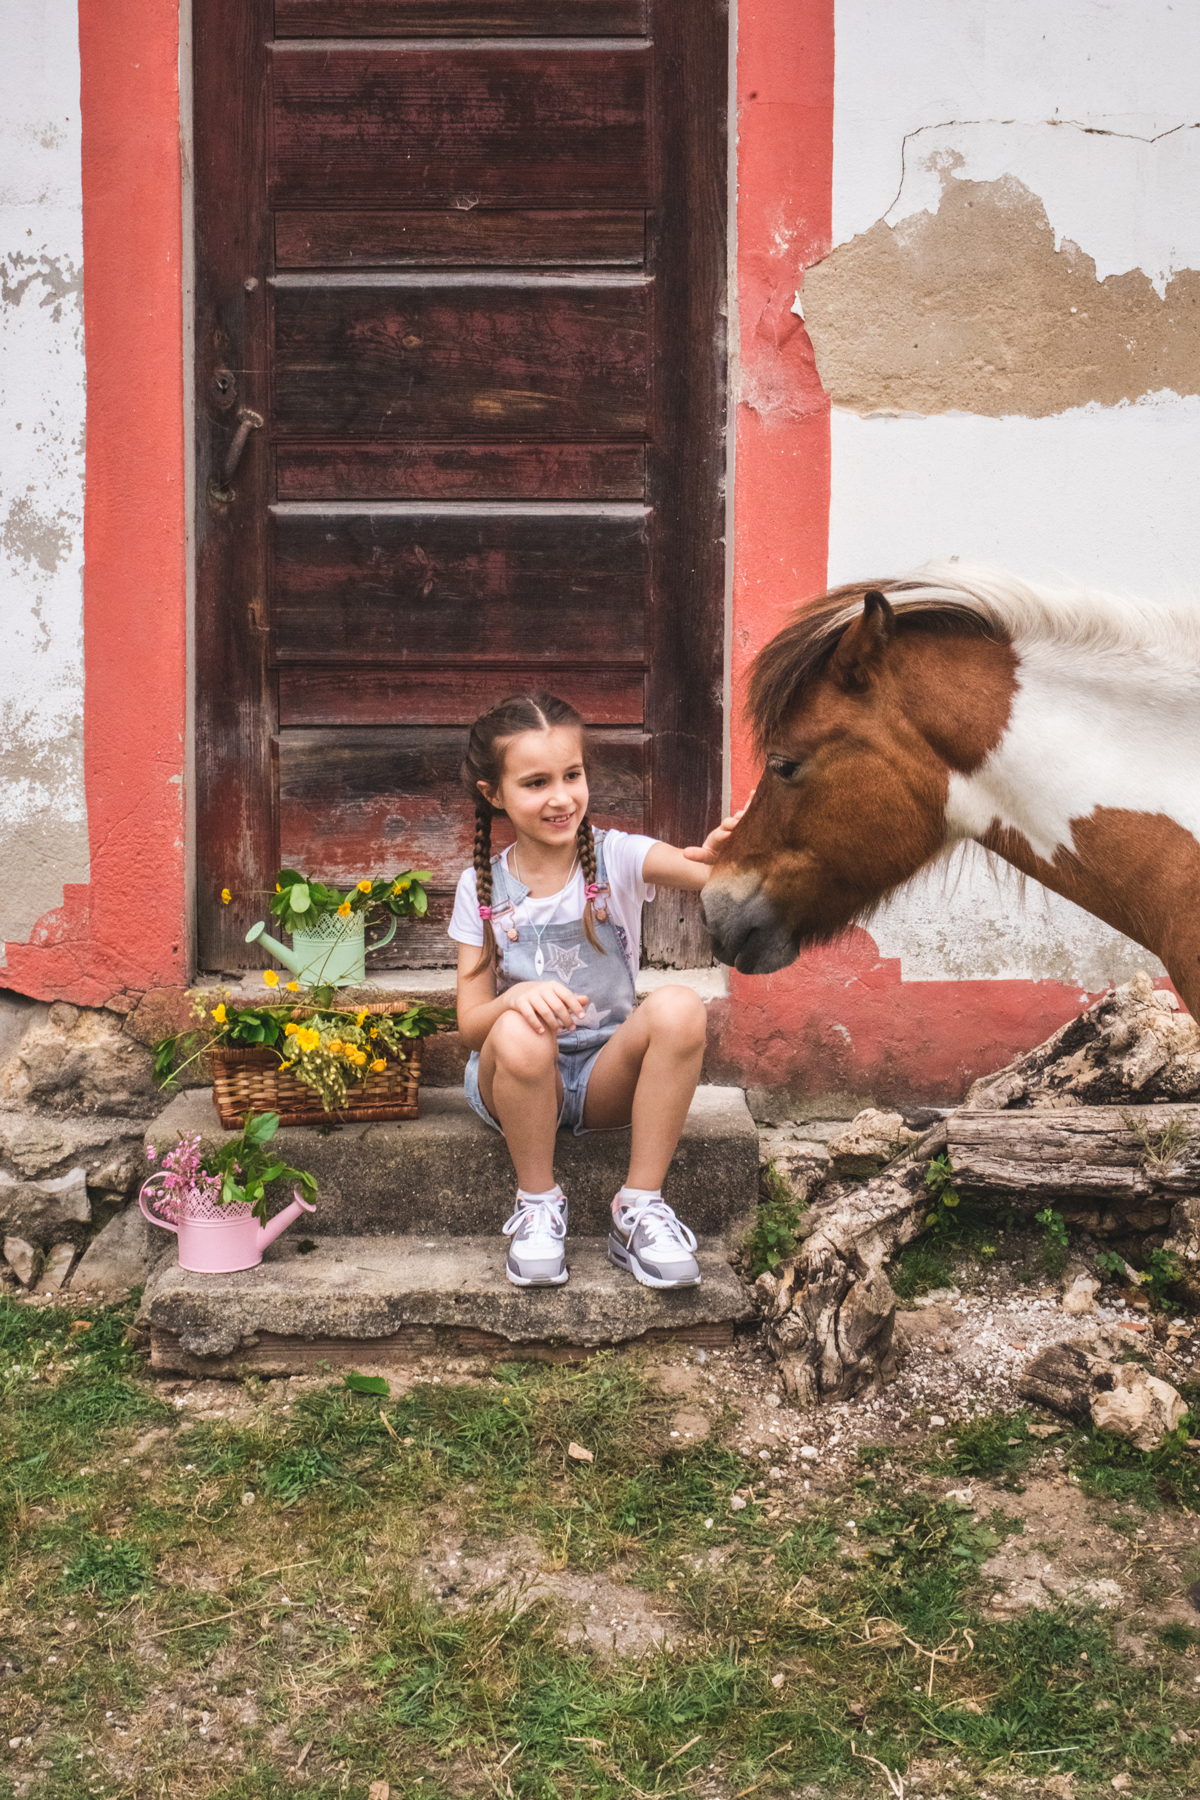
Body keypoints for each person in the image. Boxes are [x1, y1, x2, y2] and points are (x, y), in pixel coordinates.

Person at [449, 691, 746, 1292]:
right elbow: (470, 1026)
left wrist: (726, 860)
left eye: (572, 775)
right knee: (517, 1031)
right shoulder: (480, 888)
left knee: (680, 1006)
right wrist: (512, 1001)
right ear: (493, 794)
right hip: (520, 1080)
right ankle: (536, 1205)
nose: (561, 797)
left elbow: (714, 878)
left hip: (606, 1081)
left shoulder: (619, 858)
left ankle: (638, 1208)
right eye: (536, 783)